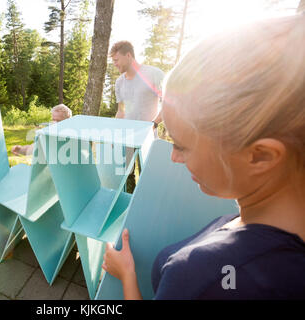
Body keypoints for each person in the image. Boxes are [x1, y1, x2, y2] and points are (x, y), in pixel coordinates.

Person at [103, 14, 305, 299]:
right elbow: (122, 109)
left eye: (182, 145)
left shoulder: (198, 275)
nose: (173, 157)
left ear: (261, 156)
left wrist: (127, 275)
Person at [110, 41, 164, 192]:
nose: (115, 64)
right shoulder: (119, 82)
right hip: (127, 137)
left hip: (148, 137)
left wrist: (154, 124)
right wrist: (114, 134)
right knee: (127, 176)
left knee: (150, 176)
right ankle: (129, 208)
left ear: (128, 55)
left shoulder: (154, 74)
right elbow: (121, 111)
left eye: (116, 60)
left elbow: (167, 103)